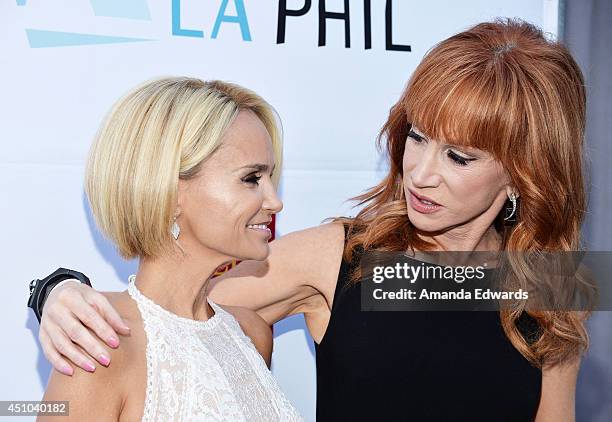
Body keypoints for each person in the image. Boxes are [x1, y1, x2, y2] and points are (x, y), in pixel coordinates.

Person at [34, 19, 588, 421]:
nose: (420, 173)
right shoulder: (345, 259)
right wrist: (55, 293)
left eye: (459, 157)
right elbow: (171, 317)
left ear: (522, 173)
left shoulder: (551, 284)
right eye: (417, 138)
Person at [38, 77, 303, 421]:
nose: (275, 201)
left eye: (271, 178)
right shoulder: (101, 345)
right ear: (172, 193)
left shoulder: (251, 332)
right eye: (251, 178)